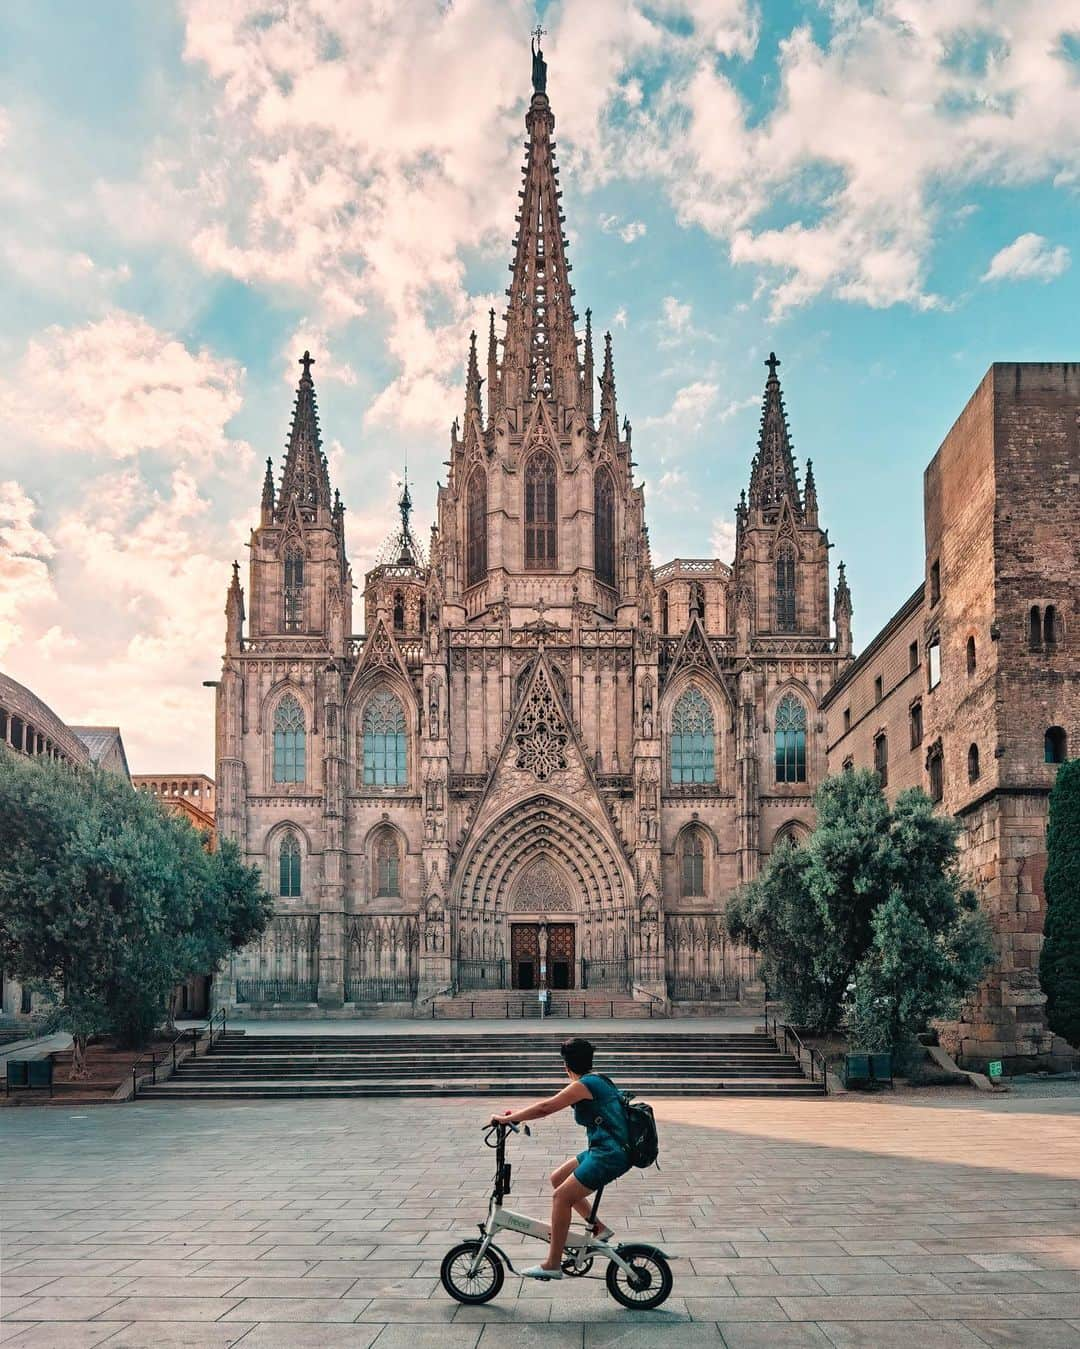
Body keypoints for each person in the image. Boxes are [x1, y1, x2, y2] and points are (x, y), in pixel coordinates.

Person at [487, 1036, 631, 1280]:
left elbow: (546, 1107)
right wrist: (518, 1116)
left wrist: (505, 1120)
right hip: (606, 1148)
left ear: (566, 1066)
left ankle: (552, 1264)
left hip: (609, 1154)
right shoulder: (597, 1080)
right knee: (558, 1178)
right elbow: (549, 1105)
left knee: (561, 1197)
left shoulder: (583, 1085)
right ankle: (599, 1229)